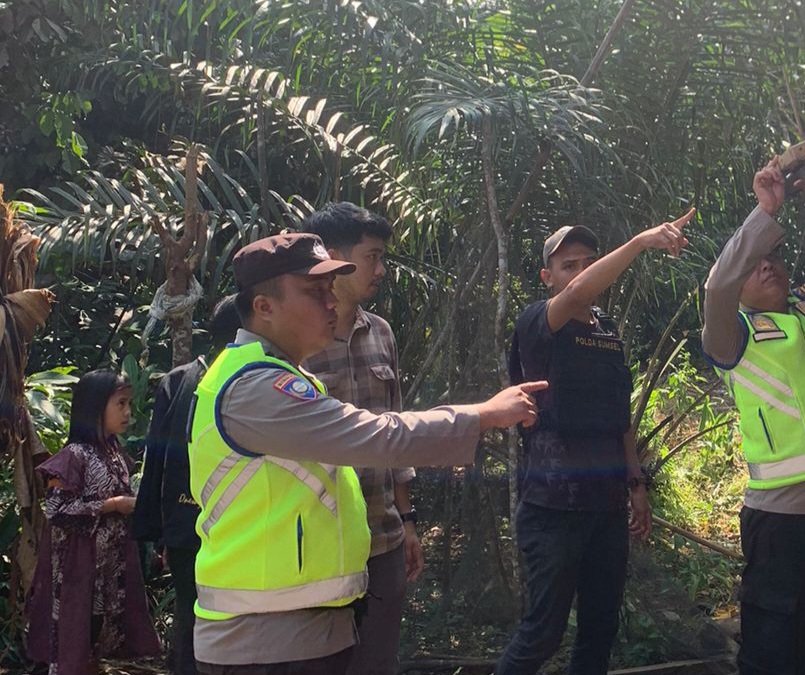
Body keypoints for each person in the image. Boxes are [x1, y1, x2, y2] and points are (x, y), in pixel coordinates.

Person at [190, 232, 545, 675]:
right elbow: (379, 435)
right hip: (266, 643)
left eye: (330, 290)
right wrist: (481, 415)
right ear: (264, 308)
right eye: (314, 292)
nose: (331, 303)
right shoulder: (257, 389)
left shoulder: (274, 375)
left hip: (294, 631)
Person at [496, 209, 694, 675]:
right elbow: (577, 294)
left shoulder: (606, 331)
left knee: (600, 629)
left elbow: (618, 413)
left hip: (605, 506)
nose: (581, 271)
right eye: (570, 265)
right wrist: (640, 242)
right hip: (553, 507)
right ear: (548, 277)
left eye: (588, 260)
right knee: (542, 632)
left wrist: (635, 483)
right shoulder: (538, 323)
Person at [701, 158, 805, 675]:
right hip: (780, 519)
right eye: (755, 264)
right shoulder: (732, 336)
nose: (767, 266)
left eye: (772, 257)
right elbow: (717, 287)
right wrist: (764, 210)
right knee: (770, 652)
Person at [300, 203, 420, 675]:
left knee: (378, 662)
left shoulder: (382, 333)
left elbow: (398, 429)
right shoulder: (296, 340)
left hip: (383, 535)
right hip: (318, 543)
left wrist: (408, 519)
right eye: (372, 256)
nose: (382, 269)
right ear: (335, 258)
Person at [132, 295, 241, 675]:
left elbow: (154, 461)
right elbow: (157, 458)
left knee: (195, 619)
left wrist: (155, 528)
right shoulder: (188, 382)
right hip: (213, 531)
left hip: (191, 528)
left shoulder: (182, 380)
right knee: (200, 619)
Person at [27, 370, 160, 675]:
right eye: (121, 403)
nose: (128, 412)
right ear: (96, 406)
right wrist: (112, 505)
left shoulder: (114, 452)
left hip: (110, 566)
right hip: (79, 568)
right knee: (77, 632)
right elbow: (57, 509)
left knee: (100, 634)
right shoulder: (73, 456)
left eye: (129, 403)